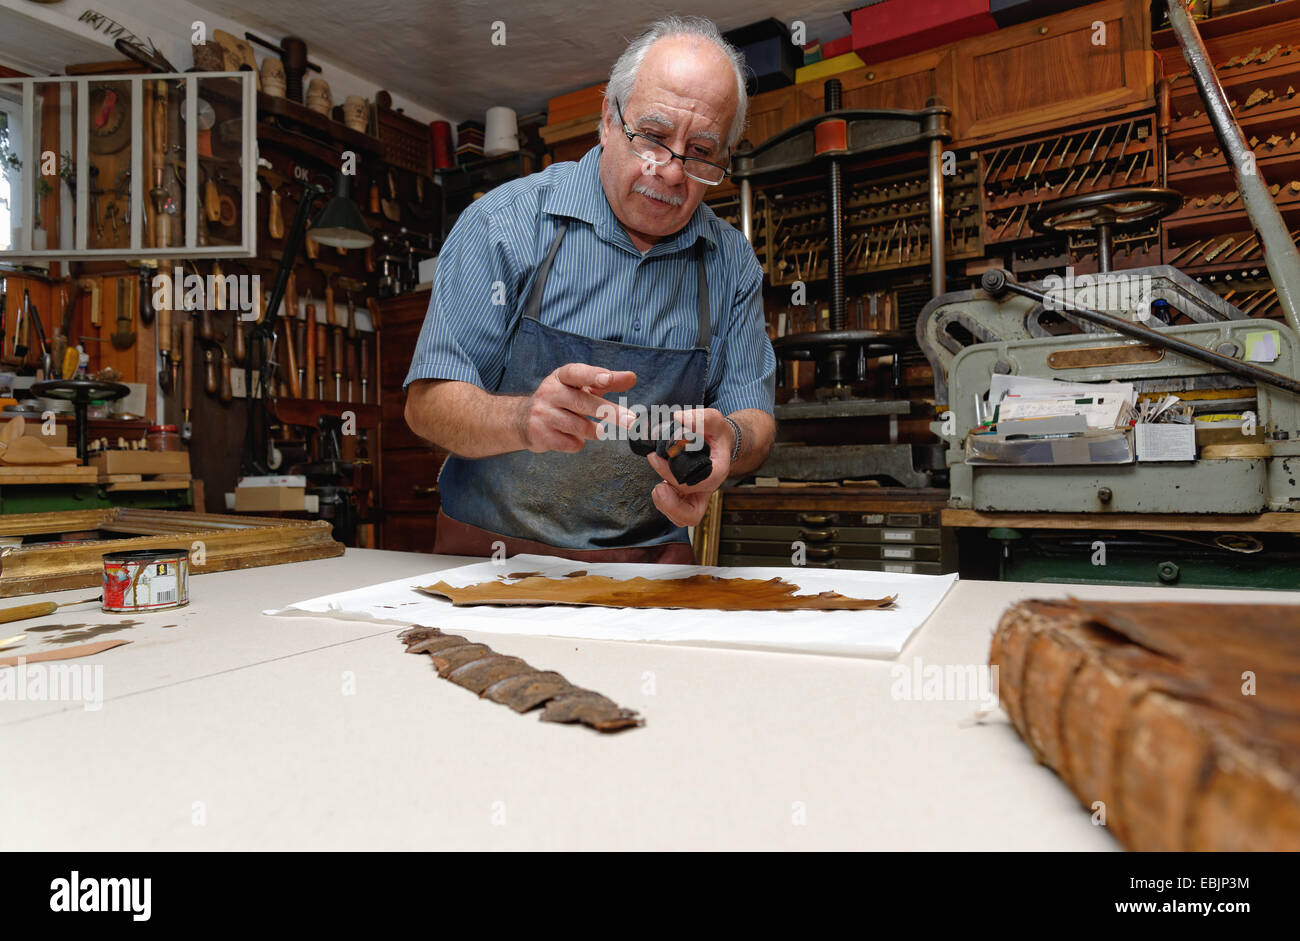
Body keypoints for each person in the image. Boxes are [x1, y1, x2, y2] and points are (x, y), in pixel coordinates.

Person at [404, 15, 776, 563]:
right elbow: (426, 406)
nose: (671, 172)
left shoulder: (729, 261)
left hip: (649, 570)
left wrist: (732, 441)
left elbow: (756, 422)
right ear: (608, 118)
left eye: (700, 152)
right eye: (651, 137)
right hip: (491, 562)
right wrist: (521, 418)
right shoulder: (504, 224)